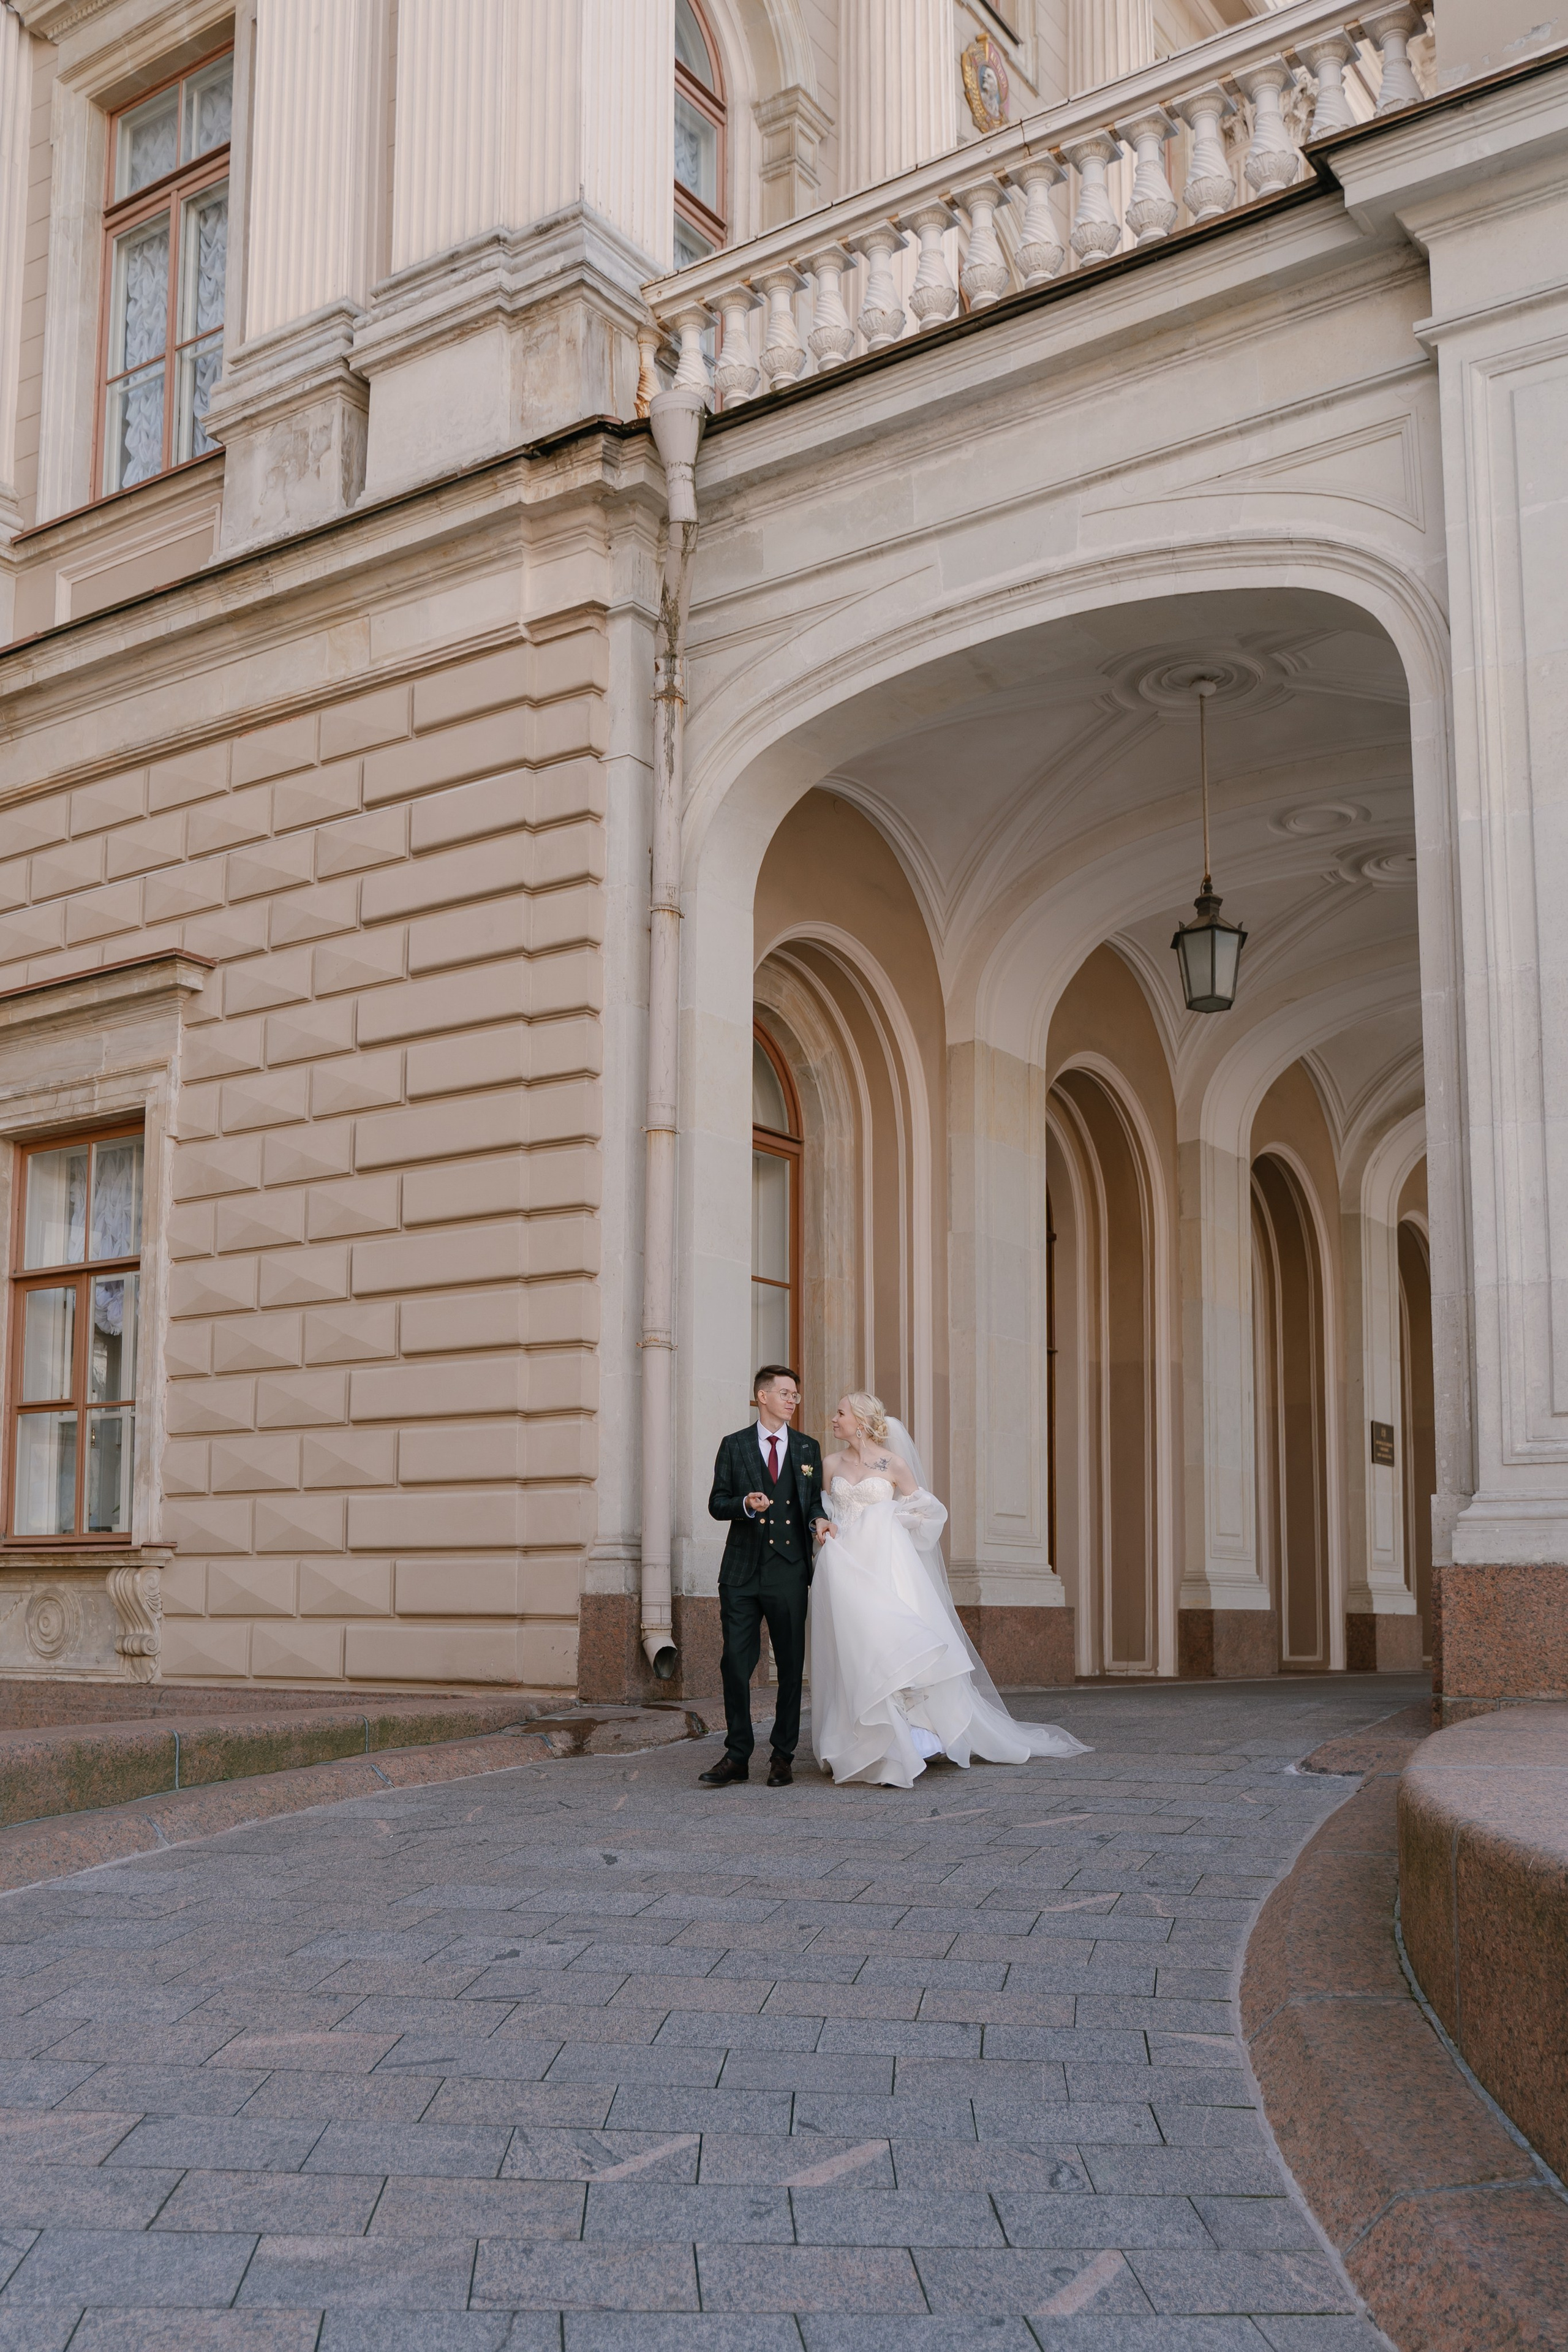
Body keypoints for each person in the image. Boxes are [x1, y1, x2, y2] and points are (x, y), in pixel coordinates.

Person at [811, 1390, 1090, 1787]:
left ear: (860, 1420)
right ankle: (859, 1740)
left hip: (887, 1569)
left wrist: (890, 1519)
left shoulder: (894, 1464)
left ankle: (907, 1740)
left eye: (840, 1413)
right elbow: (824, 1512)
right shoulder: (830, 1463)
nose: (834, 1419)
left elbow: (927, 1512)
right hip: (845, 1570)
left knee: (890, 1647)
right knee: (855, 1650)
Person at [701, 1363, 827, 1787]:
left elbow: (813, 1504)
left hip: (789, 1572)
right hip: (741, 1573)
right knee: (735, 1664)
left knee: (791, 1667)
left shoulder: (809, 1449)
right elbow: (717, 1503)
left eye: (796, 1394)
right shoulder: (734, 1446)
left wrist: (820, 1523)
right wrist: (745, 1504)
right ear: (763, 1397)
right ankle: (737, 1756)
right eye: (786, 1393)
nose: (794, 1400)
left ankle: (783, 1756)